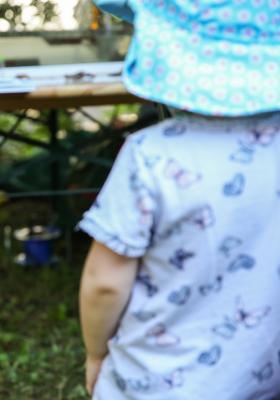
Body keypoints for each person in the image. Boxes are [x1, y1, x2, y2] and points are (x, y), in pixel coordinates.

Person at [77, 0, 280, 397]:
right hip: (260, 379)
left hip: (152, 384)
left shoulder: (150, 155)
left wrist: (95, 353)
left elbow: (105, 282)